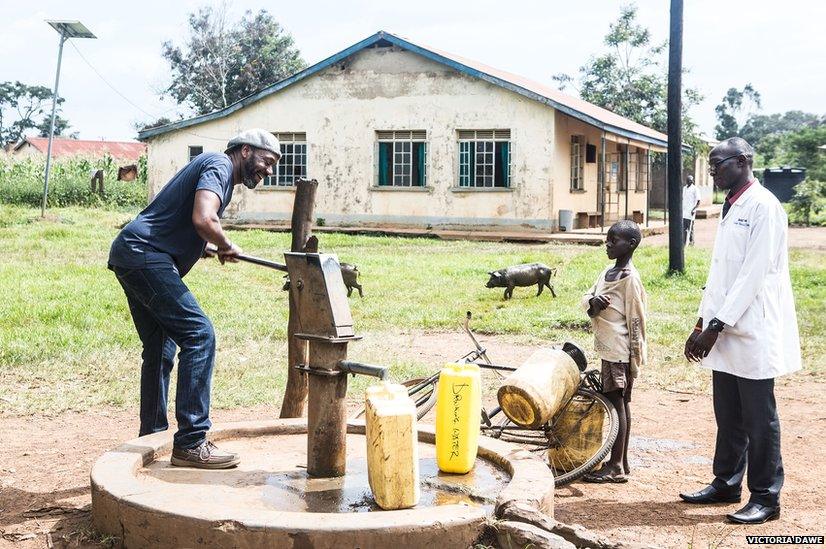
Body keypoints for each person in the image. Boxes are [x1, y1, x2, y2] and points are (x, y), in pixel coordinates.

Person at [108, 129, 281, 469]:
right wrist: (226, 242)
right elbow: (203, 218)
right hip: (146, 255)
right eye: (267, 161)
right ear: (245, 151)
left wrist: (211, 247)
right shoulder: (219, 165)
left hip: (133, 252)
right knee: (199, 335)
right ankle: (191, 441)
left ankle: (152, 437)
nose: (269, 170)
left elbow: (180, 223)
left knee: (161, 347)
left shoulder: (218, 173)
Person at [680, 137, 801, 524]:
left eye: (718, 164)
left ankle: (766, 498)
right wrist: (702, 322)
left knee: (759, 418)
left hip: (752, 330)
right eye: (712, 165)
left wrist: (716, 326)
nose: (712, 171)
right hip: (723, 327)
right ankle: (727, 483)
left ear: (744, 161)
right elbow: (721, 275)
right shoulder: (731, 206)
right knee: (728, 413)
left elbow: (752, 275)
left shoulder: (764, 207)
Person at [581, 220, 647, 483]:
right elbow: (588, 295)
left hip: (619, 353)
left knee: (616, 403)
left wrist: (635, 357)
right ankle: (622, 461)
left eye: (614, 240)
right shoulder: (608, 272)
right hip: (608, 349)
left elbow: (637, 320)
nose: (607, 243)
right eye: (607, 238)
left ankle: (616, 465)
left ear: (630, 245)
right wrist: (593, 303)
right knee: (620, 403)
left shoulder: (630, 279)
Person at [682, 175, 700, 247]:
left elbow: (698, 201)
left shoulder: (695, 189)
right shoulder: (684, 188)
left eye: (689, 180)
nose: (688, 182)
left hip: (691, 212)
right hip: (684, 212)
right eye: (687, 180)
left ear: (692, 181)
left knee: (690, 228)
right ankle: (683, 243)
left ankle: (691, 243)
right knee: (683, 228)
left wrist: (694, 209)